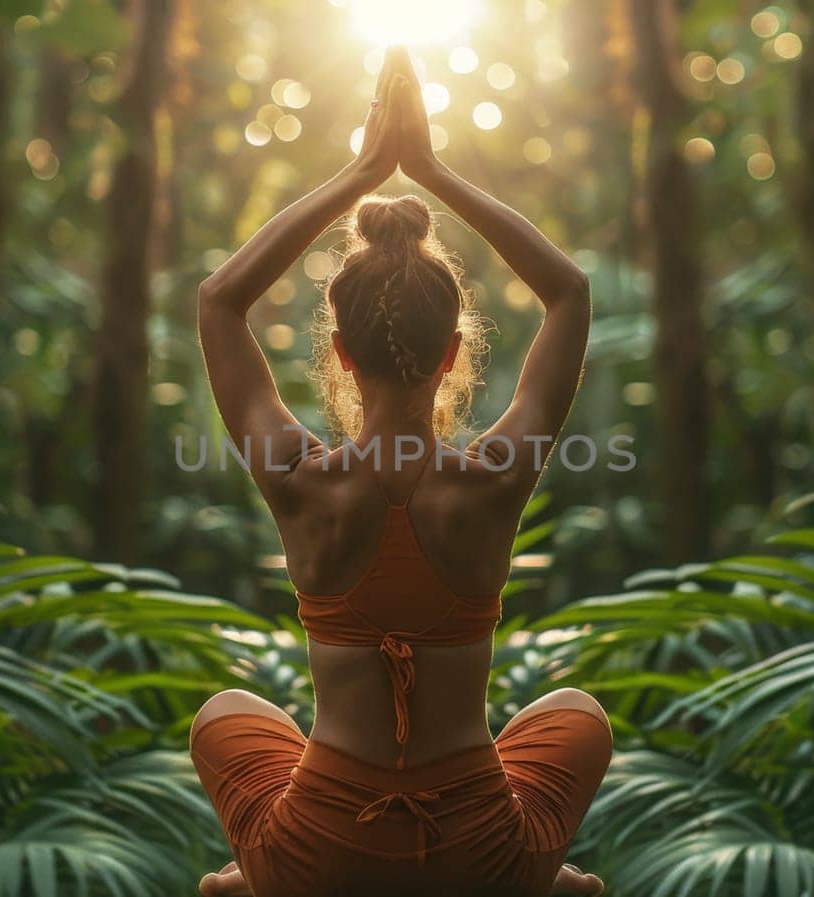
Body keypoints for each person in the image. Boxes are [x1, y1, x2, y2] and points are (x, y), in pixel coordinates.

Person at [189, 46, 610, 897]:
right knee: (578, 717)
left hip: (321, 850)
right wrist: (431, 170)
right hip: (479, 849)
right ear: (453, 352)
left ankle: (252, 878)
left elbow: (218, 303)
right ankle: (542, 877)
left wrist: (362, 172)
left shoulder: (300, 480)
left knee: (224, 716)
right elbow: (567, 292)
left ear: (339, 354)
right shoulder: (492, 480)